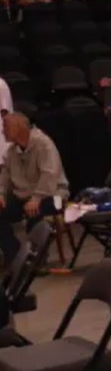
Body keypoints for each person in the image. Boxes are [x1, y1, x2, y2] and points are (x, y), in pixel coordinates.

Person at [0, 113, 69, 264]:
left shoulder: (43, 144)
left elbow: (49, 174)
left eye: (5, 127)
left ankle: (38, 260)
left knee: (34, 211)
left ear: (18, 128)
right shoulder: (12, 151)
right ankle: (15, 256)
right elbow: (5, 176)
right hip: (25, 196)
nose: (2, 131)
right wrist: (1, 194)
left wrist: (37, 198)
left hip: (54, 194)